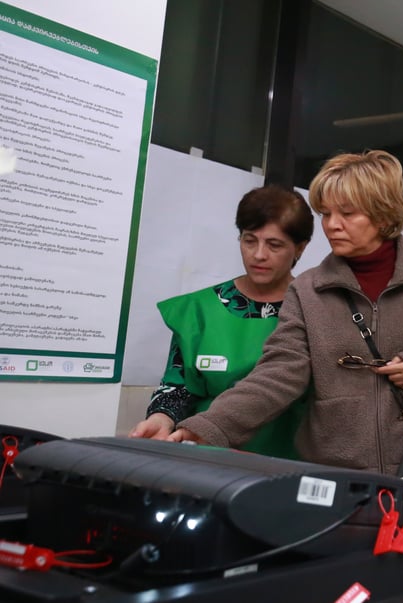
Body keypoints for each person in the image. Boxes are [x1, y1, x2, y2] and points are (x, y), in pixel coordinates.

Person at [167, 150, 403, 474]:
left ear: (384, 215)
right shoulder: (308, 290)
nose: (332, 225)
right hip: (335, 470)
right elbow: (277, 373)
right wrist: (206, 427)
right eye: (326, 214)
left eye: (346, 213)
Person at [129, 185, 313, 458]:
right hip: (206, 457)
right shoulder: (198, 310)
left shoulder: (314, 311)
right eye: (250, 240)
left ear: (300, 248)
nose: (259, 254)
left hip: (287, 464)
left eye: (274, 245)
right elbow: (177, 387)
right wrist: (162, 417)